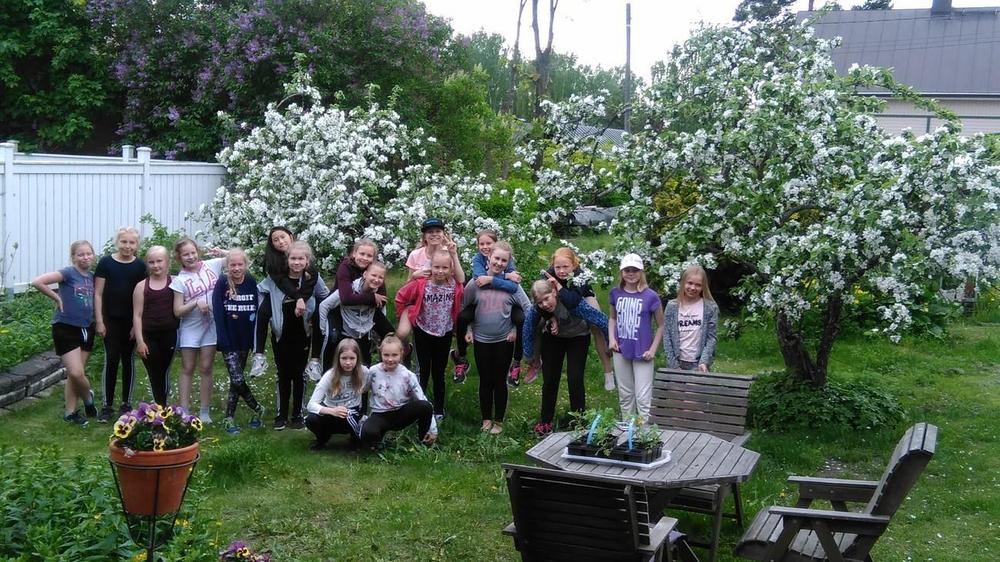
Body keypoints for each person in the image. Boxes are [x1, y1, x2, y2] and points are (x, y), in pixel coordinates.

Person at [257, 241, 329, 430]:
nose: (296, 263)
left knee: (299, 374)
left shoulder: (312, 279)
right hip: (281, 334)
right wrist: (269, 316)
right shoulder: (276, 279)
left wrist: (316, 316)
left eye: (301, 259)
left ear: (307, 261)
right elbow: (261, 294)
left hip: (303, 334)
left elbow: (325, 297)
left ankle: (297, 413)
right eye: (293, 258)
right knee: (283, 374)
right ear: (287, 260)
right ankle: (281, 415)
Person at [463, 242, 531, 435]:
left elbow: (528, 309)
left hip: (504, 340)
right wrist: (468, 329)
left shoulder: (513, 287)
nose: (499, 263)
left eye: (504, 260)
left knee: (500, 380)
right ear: (489, 257)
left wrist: (516, 330)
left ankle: (499, 421)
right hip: (481, 339)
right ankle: (486, 419)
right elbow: (465, 308)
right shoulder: (475, 284)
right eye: (496, 258)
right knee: (485, 379)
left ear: (509, 263)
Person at [32, 240, 98, 427]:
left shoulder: (92, 277)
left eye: (88, 253)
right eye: (80, 254)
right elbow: (37, 282)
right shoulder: (68, 273)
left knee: (74, 374)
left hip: (86, 328)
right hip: (65, 327)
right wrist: (57, 297)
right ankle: (88, 397)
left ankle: (70, 413)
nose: (85, 257)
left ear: (93, 255)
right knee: (76, 373)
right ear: (73, 257)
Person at [524, 279, 603, 436]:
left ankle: (579, 422)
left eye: (546, 299)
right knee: (550, 380)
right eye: (540, 302)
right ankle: (545, 422)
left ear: (554, 292)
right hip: (554, 338)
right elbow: (528, 327)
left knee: (575, 378)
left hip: (578, 336)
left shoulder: (571, 298)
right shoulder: (538, 308)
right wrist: (529, 355)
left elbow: (600, 319)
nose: (545, 304)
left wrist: (611, 340)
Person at [394, 250, 464, 421]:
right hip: (423, 331)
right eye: (436, 267)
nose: (440, 271)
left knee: (439, 373)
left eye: (445, 268)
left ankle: (438, 409)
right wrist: (407, 316)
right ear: (430, 267)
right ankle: (420, 407)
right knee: (423, 371)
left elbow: (461, 288)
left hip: (444, 333)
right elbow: (400, 297)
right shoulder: (421, 283)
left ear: (451, 269)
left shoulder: (454, 286)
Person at [451, 229, 524, 386]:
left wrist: (493, 279)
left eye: (488, 243)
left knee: (520, 318)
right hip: (480, 300)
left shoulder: (505, 257)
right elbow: (480, 281)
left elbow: (513, 287)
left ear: (495, 244)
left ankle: (516, 362)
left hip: (506, 303)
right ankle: (461, 358)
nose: (485, 247)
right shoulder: (478, 259)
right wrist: (505, 276)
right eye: (481, 244)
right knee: (463, 317)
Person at [250, 226, 323, 379]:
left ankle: (315, 360)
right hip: (275, 293)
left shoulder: (304, 255)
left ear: (291, 236)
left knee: (318, 314)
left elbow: (312, 282)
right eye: (275, 240)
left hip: (303, 299)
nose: (280, 242)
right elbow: (283, 284)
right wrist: (299, 299)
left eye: (282, 237)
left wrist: (303, 300)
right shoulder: (274, 262)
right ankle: (259, 355)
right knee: (263, 313)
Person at [94, 226, 147, 421]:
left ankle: (126, 403)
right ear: (117, 242)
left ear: (137, 245)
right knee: (112, 359)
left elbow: (143, 297)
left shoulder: (140, 266)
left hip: (131, 322)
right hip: (110, 320)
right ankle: (107, 405)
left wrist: (136, 325)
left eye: (132, 242)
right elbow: (98, 294)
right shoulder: (106, 263)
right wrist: (99, 321)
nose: (127, 246)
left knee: (128, 360)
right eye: (124, 242)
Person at [212, 248, 265, 434]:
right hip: (229, 339)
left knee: (236, 380)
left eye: (240, 264)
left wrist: (255, 340)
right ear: (227, 266)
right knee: (236, 378)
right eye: (232, 264)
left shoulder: (251, 281)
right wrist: (222, 339)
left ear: (245, 264)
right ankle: (257, 407)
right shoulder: (222, 283)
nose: (236, 268)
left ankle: (229, 417)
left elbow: (257, 309)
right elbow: (218, 312)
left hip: (245, 338)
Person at [171, 238, 224, 422]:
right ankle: (184, 411)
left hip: (211, 325)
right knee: (187, 367)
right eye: (186, 254)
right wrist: (195, 302)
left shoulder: (212, 265)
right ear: (179, 258)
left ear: (198, 252)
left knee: (206, 367)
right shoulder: (179, 280)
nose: (191, 257)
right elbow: (178, 311)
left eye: (193, 252)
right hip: (190, 326)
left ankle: (204, 411)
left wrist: (222, 252)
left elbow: (239, 257)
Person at [608, 254, 664, 423]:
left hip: (643, 351)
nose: (631, 273)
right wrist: (611, 339)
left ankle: (644, 433)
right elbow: (612, 318)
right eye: (627, 270)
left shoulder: (651, 296)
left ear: (641, 272)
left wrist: (652, 350)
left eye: (635, 270)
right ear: (621, 272)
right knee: (625, 395)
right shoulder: (615, 293)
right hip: (620, 349)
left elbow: (661, 325)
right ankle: (628, 429)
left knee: (643, 397)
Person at [359, 335, 437, 449]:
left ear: (401, 354)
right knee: (368, 433)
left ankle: (424, 439)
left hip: (401, 413)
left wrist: (433, 429)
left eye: (394, 355)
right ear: (381, 353)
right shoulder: (373, 371)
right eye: (386, 355)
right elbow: (362, 389)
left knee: (425, 406)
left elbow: (421, 398)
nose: (390, 359)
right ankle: (378, 441)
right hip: (380, 414)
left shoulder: (408, 375)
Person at [325, 238, 393, 366]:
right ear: (354, 253)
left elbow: (382, 301)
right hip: (339, 307)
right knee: (334, 337)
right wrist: (372, 298)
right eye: (362, 254)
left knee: (390, 334)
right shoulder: (345, 267)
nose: (365, 258)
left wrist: (373, 299)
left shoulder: (376, 271)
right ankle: (325, 368)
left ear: (374, 258)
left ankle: (387, 365)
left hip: (366, 311)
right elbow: (346, 298)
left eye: (369, 256)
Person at [318, 260, 389, 369]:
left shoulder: (379, 293)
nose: (376, 279)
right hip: (344, 332)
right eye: (373, 275)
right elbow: (324, 305)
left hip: (364, 334)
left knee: (364, 368)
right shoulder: (348, 289)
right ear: (365, 274)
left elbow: (381, 309)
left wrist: (376, 329)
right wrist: (323, 330)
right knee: (339, 366)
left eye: (380, 277)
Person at [132, 246, 178, 406]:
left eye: (159, 261)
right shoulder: (141, 286)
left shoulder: (175, 282)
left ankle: (163, 407)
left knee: (164, 371)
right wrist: (140, 341)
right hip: (148, 336)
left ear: (167, 261)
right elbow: (137, 315)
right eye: (151, 262)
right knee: (153, 372)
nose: (156, 265)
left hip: (170, 335)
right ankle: (160, 407)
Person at [305, 338, 367, 450]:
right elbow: (311, 405)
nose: (348, 362)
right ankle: (323, 437)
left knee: (362, 423)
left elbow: (374, 386)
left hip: (352, 413)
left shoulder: (364, 372)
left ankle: (355, 439)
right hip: (331, 413)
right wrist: (333, 411)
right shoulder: (330, 375)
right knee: (311, 419)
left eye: (352, 358)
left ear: (358, 358)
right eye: (344, 358)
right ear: (338, 358)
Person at [663, 265, 718, 372]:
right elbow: (667, 336)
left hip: (698, 364)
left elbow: (711, 338)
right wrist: (673, 365)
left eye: (698, 285)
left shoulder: (710, 308)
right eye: (690, 283)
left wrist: (704, 362)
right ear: (683, 283)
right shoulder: (672, 306)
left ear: (703, 286)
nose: (693, 288)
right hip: (676, 363)